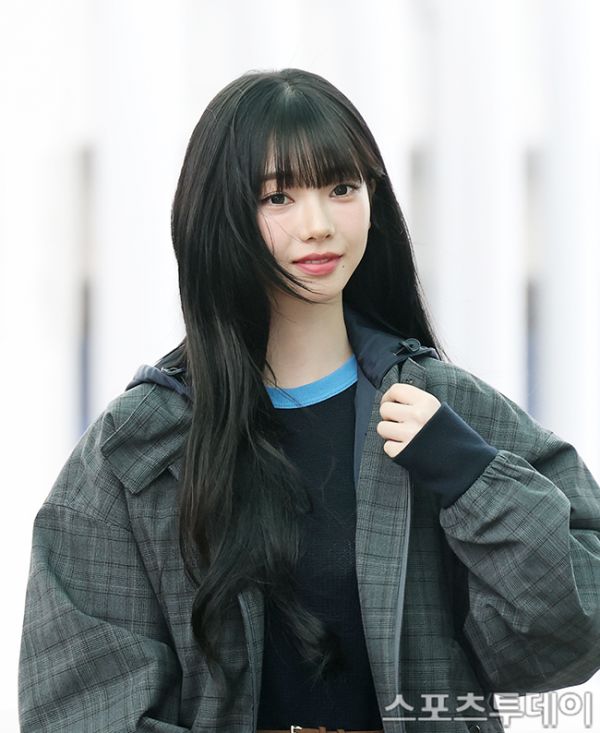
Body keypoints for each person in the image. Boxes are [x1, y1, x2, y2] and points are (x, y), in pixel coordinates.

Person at [18, 68, 600, 733]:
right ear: (220, 214)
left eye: (342, 188)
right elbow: (77, 711)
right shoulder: (138, 450)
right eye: (279, 197)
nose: (319, 224)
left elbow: (570, 633)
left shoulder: (444, 408)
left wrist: (471, 477)